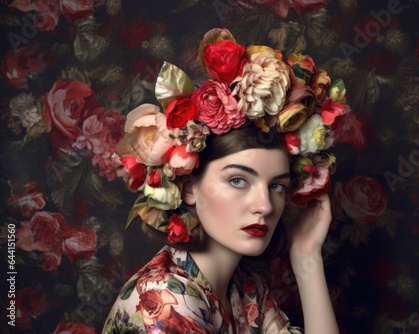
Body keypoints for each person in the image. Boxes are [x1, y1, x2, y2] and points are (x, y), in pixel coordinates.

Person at [103, 27, 346, 333]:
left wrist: (306, 257)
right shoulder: (164, 304)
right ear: (190, 185)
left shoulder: (243, 289)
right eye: (238, 180)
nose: (264, 206)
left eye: (276, 186)